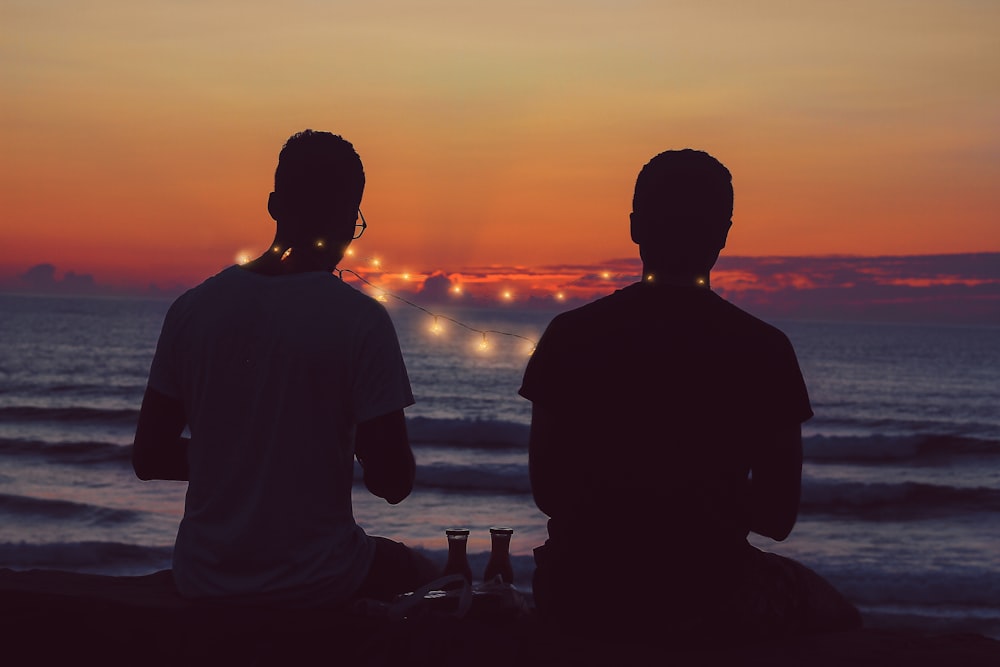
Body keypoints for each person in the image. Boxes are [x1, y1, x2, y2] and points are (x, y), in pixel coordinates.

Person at [519, 149, 861, 643]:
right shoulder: (764, 348)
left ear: (636, 226)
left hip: (579, 590)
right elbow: (777, 518)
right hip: (712, 591)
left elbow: (548, 492)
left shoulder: (570, 334)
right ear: (722, 233)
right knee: (844, 620)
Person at [133, 129, 437, 607]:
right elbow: (393, 484)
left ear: (274, 205)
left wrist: (238, 456)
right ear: (347, 218)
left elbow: (149, 458)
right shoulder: (360, 321)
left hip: (202, 577)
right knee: (432, 578)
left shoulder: (192, 308)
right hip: (319, 579)